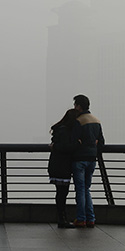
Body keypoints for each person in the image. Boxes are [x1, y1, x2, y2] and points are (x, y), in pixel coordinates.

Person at [71, 94, 104, 228]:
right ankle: (91, 218)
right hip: (92, 159)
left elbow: (73, 140)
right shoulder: (96, 120)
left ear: (78, 106)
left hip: (79, 159)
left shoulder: (79, 121)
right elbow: (101, 141)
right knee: (87, 189)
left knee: (80, 190)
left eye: (75, 105)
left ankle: (81, 218)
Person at [47, 108, 79, 228]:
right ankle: (62, 219)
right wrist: (78, 143)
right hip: (63, 166)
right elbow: (66, 148)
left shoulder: (59, 130)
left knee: (60, 193)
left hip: (56, 165)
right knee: (62, 194)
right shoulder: (66, 132)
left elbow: (60, 146)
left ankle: (62, 218)